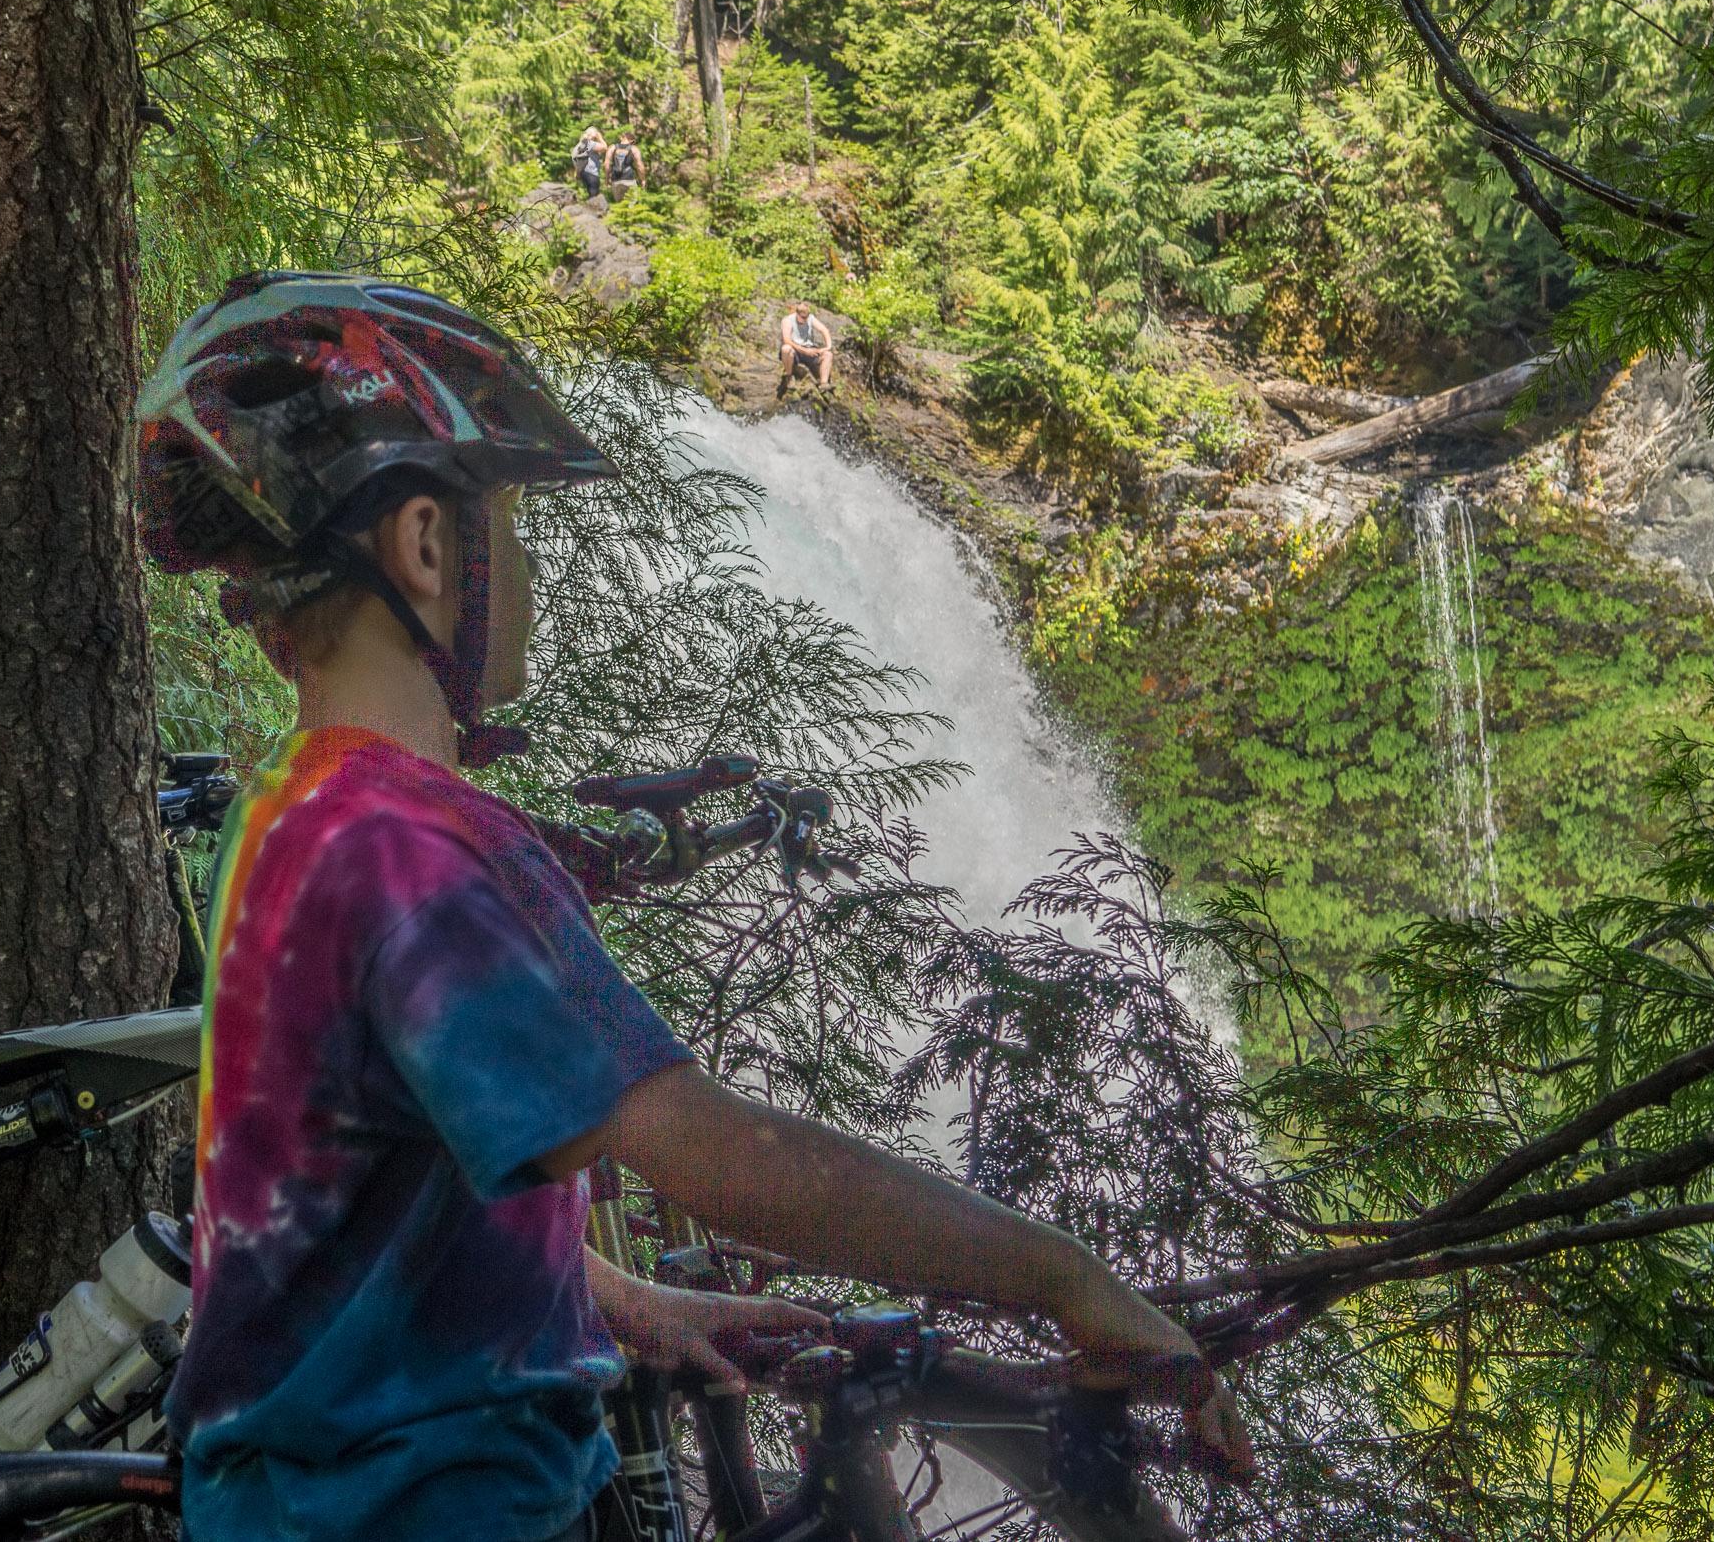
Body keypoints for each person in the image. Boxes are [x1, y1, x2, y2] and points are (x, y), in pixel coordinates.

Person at [135, 272, 1251, 1542]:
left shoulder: (288, 810)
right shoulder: (419, 850)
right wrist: (1067, 1277)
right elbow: (718, 1155)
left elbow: (374, 1186)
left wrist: (612, 1297)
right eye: (503, 522)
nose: (526, 564)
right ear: (427, 548)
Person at [777, 300, 832, 397]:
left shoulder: (811, 319)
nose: (804, 319)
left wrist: (828, 346)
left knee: (828, 354)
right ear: (797, 314)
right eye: (802, 317)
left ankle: (824, 383)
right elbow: (786, 339)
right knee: (786, 349)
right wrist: (804, 350)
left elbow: (824, 330)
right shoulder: (788, 320)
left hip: (810, 349)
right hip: (796, 350)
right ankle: (789, 377)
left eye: (806, 317)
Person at [605, 128, 646, 201]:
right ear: (632, 141)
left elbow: (606, 164)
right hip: (629, 179)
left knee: (619, 205)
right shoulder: (634, 149)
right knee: (632, 205)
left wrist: (607, 179)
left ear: (622, 138)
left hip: (616, 180)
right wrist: (642, 180)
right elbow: (640, 166)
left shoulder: (612, 148)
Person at [571, 126, 606, 199]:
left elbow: (575, 158)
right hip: (592, 173)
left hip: (584, 173)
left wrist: (577, 172)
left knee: (591, 194)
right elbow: (604, 147)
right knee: (594, 197)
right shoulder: (590, 144)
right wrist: (600, 138)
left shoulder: (580, 145)